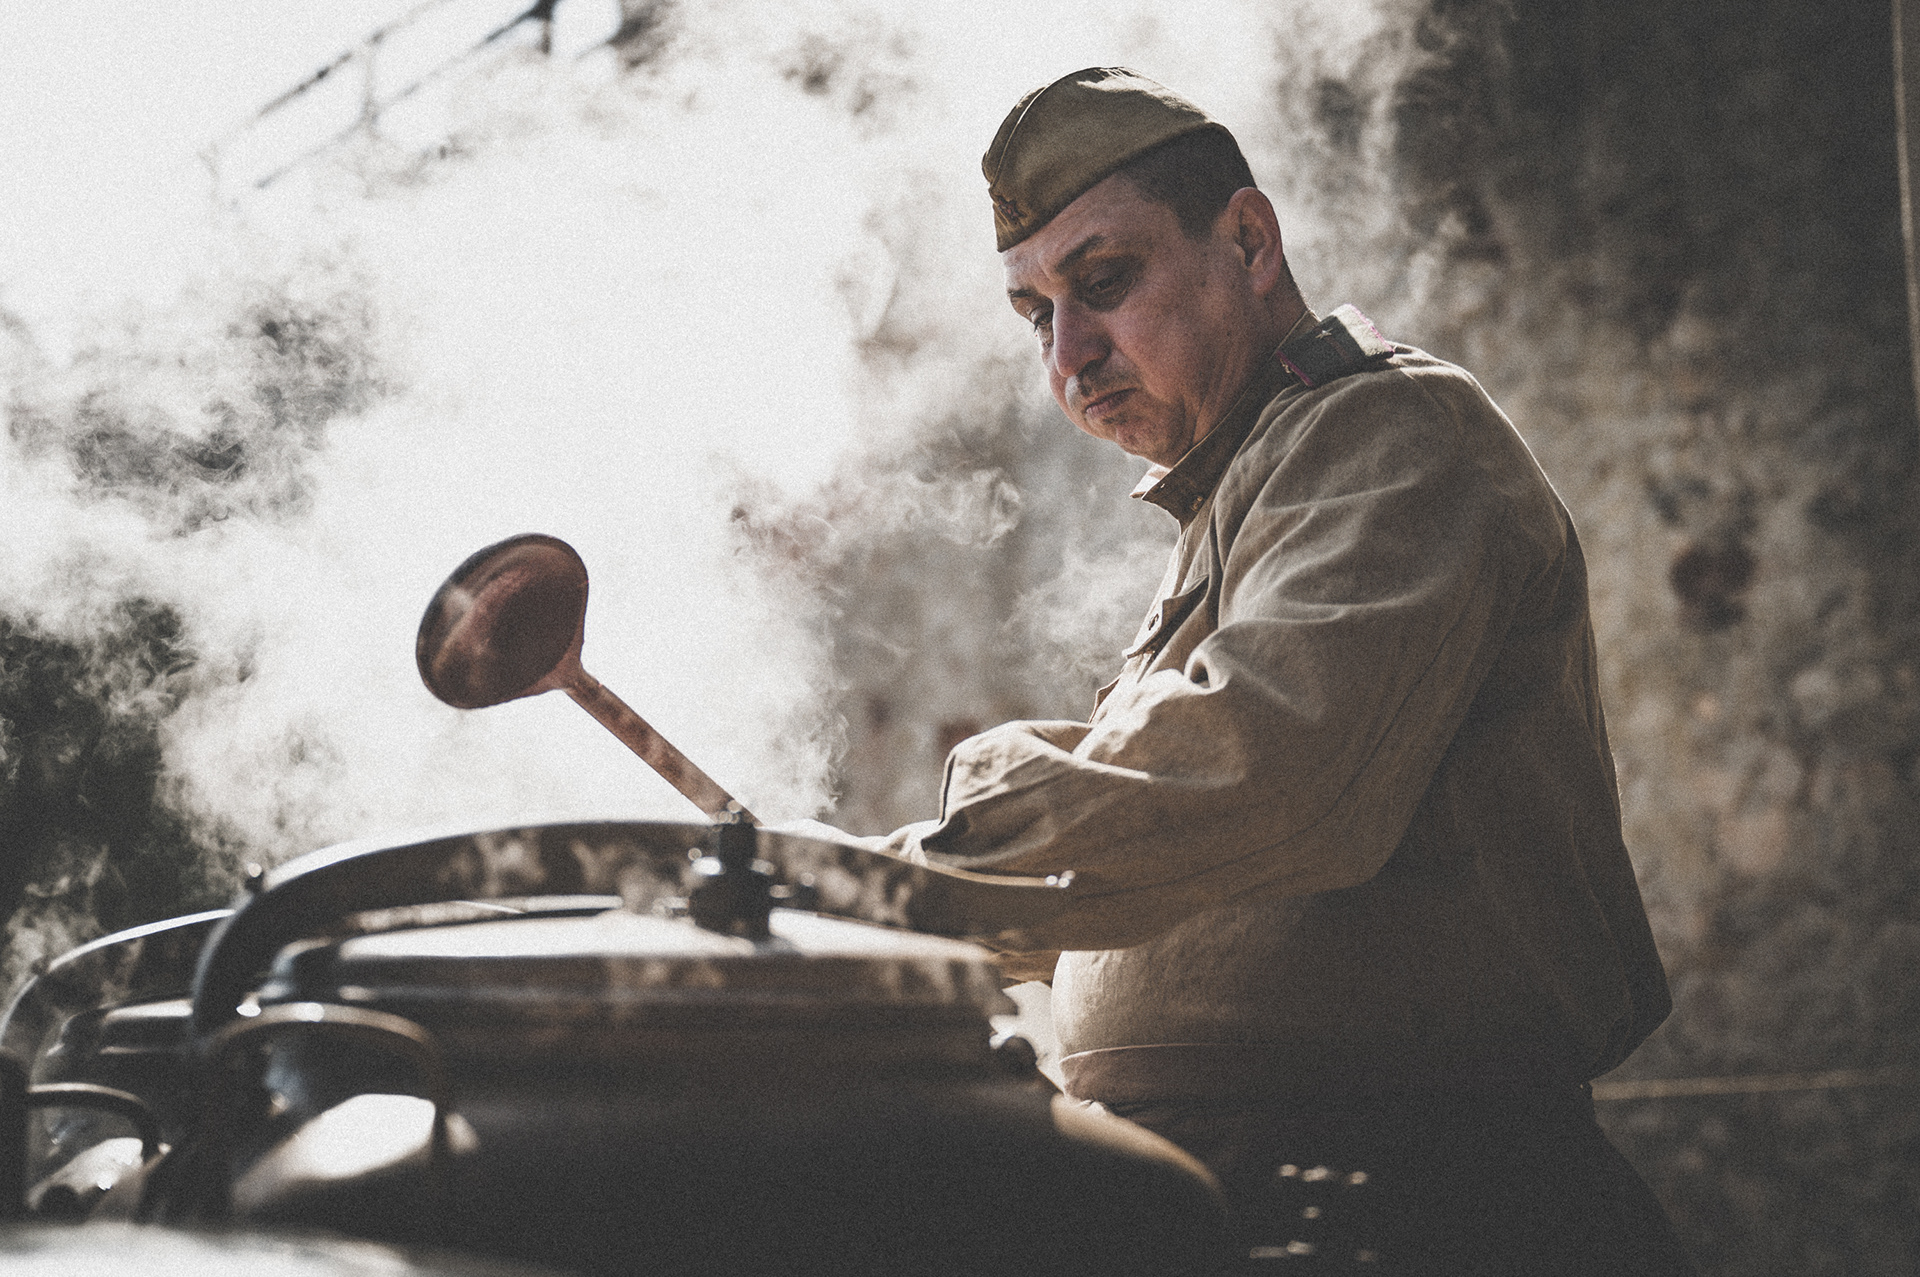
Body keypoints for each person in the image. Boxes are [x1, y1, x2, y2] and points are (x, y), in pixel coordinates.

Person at [850, 67, 1693, 1274]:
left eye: (1104, 282)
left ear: (1249, 242)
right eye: (1037, 313)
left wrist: (873, 892)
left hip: (1414, 1196)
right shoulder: (1249, 484)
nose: (1069, 355)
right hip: (1254, 1187)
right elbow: (1163, 866)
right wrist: (849, 917)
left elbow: (1260, 779)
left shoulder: (1390, 432)